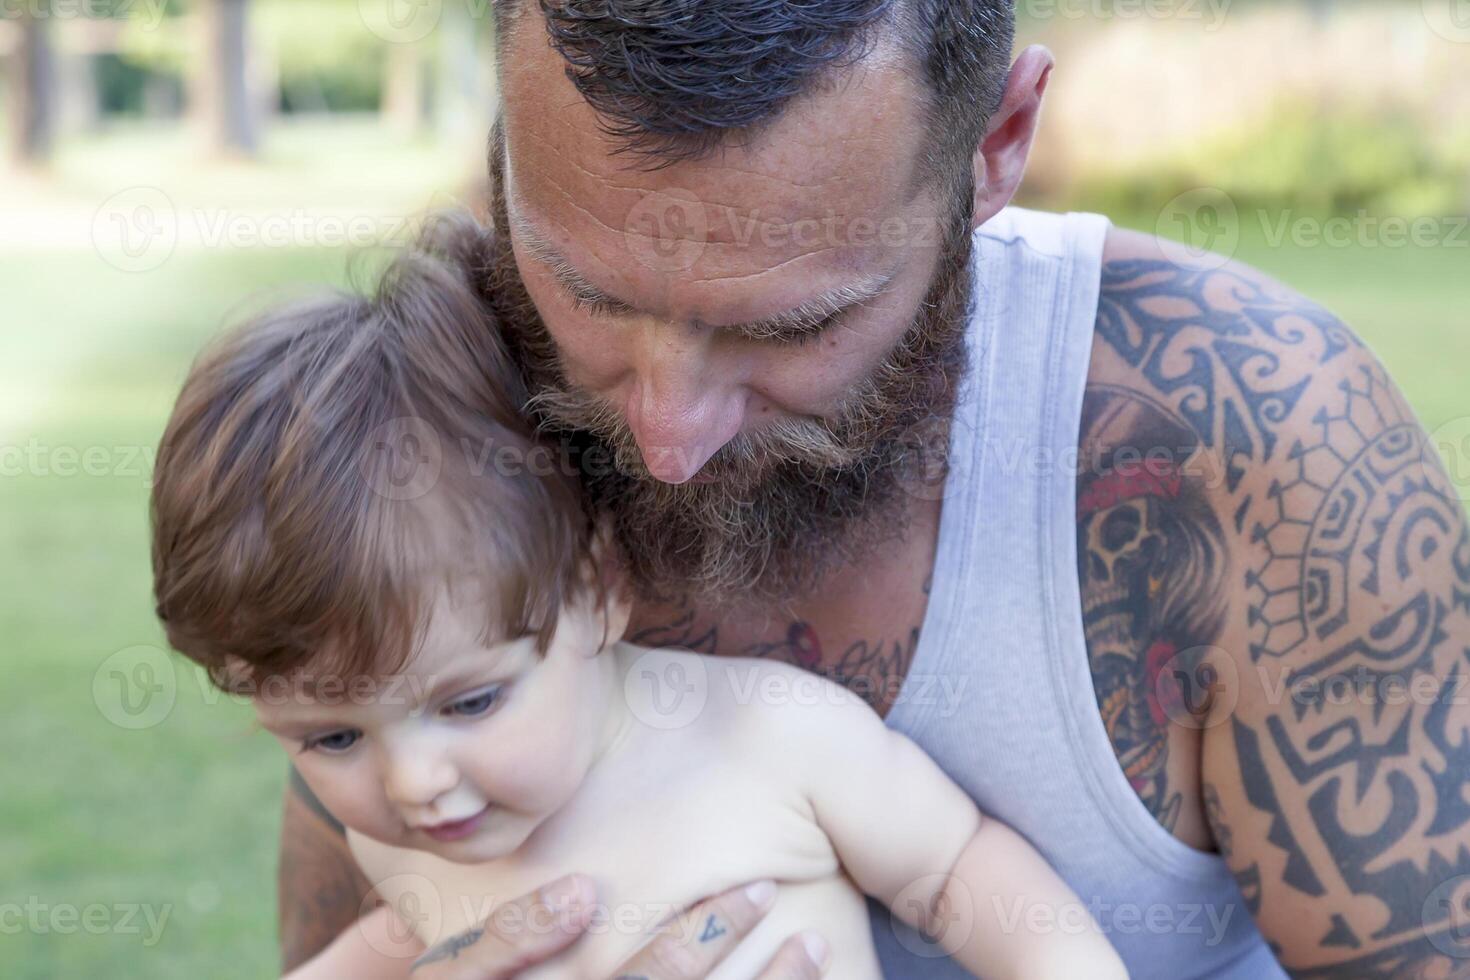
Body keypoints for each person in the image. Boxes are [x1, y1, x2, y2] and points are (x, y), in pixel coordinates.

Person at [278, 2, 1470, 977]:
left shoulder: (1250, 436)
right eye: (587, 291)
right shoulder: (443, 423)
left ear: (998, 145)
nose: (666, 434)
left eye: (791, 325)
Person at [149, 220, 1128, 980]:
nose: (412, 782)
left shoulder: (766, 736)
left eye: (472, 700)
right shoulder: (394, 842)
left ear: (600, 587)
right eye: (332, 736)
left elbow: (959, 869)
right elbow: (380, 947)